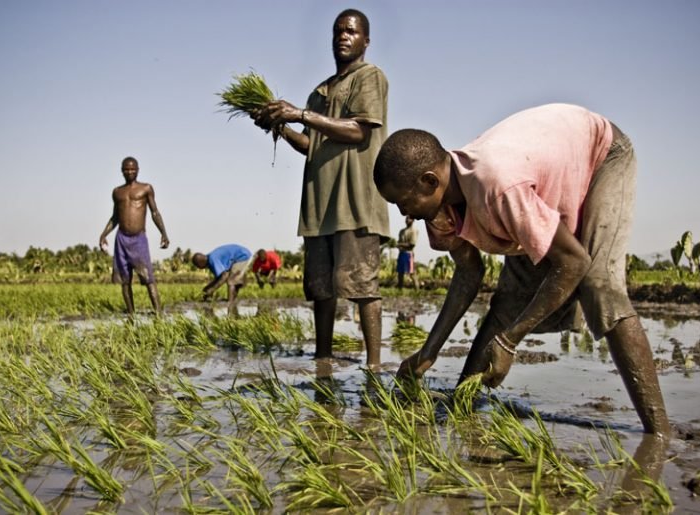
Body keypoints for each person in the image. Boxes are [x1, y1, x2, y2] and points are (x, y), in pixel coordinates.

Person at [373, 103, 670, 435]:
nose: (403, 213)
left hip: (601, 153)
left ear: (430, 182)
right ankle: (463, 404)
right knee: (508, 299)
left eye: (403, 202)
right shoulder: (439, 211)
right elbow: (469, 276)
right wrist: (428, 353)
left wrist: (510, 340)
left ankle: (659, 433)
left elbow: (573, 262)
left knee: (599, 286)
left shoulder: (498, 187)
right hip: (539, 188)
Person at [253, 9, 390, 366]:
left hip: (355, 201)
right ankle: (323, 359)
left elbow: (359, 130)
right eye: (338, 31)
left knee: (362, 287)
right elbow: (310, 144)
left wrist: (299, 114)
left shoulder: (369, 77)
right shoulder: (320, 92)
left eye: (351, 31)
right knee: (321, 290)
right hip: (319, 206)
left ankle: (374, 365)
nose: (343, 36)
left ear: (365, 41)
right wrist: (279, 126)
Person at [99, 156, 169, 315]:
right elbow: (115, 217)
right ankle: (131, 314)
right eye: (126, 169)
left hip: (138, 239)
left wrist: (163, 233)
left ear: (137, 170)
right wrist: (104, 234)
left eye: (132, 169)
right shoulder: (117, 192)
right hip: (121, 239)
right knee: (125, 280)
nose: (129, 172)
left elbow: (155, 212)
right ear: (121, 171)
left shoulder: (146, 188)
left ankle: (158, 314)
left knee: (148, 278)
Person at [396, 215, 419, 289]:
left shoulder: (414, 231)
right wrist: (399, 245)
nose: (407, 220)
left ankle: (417, 289)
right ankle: (400, 288)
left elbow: (412, 244)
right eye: (406, 219)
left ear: (413, 220)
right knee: (400, 272)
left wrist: (400, 244)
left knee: (412, 272)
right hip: (402, 253)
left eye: (409, 219)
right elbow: (399, 242)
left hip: (409, 254)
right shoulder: (402, 231)